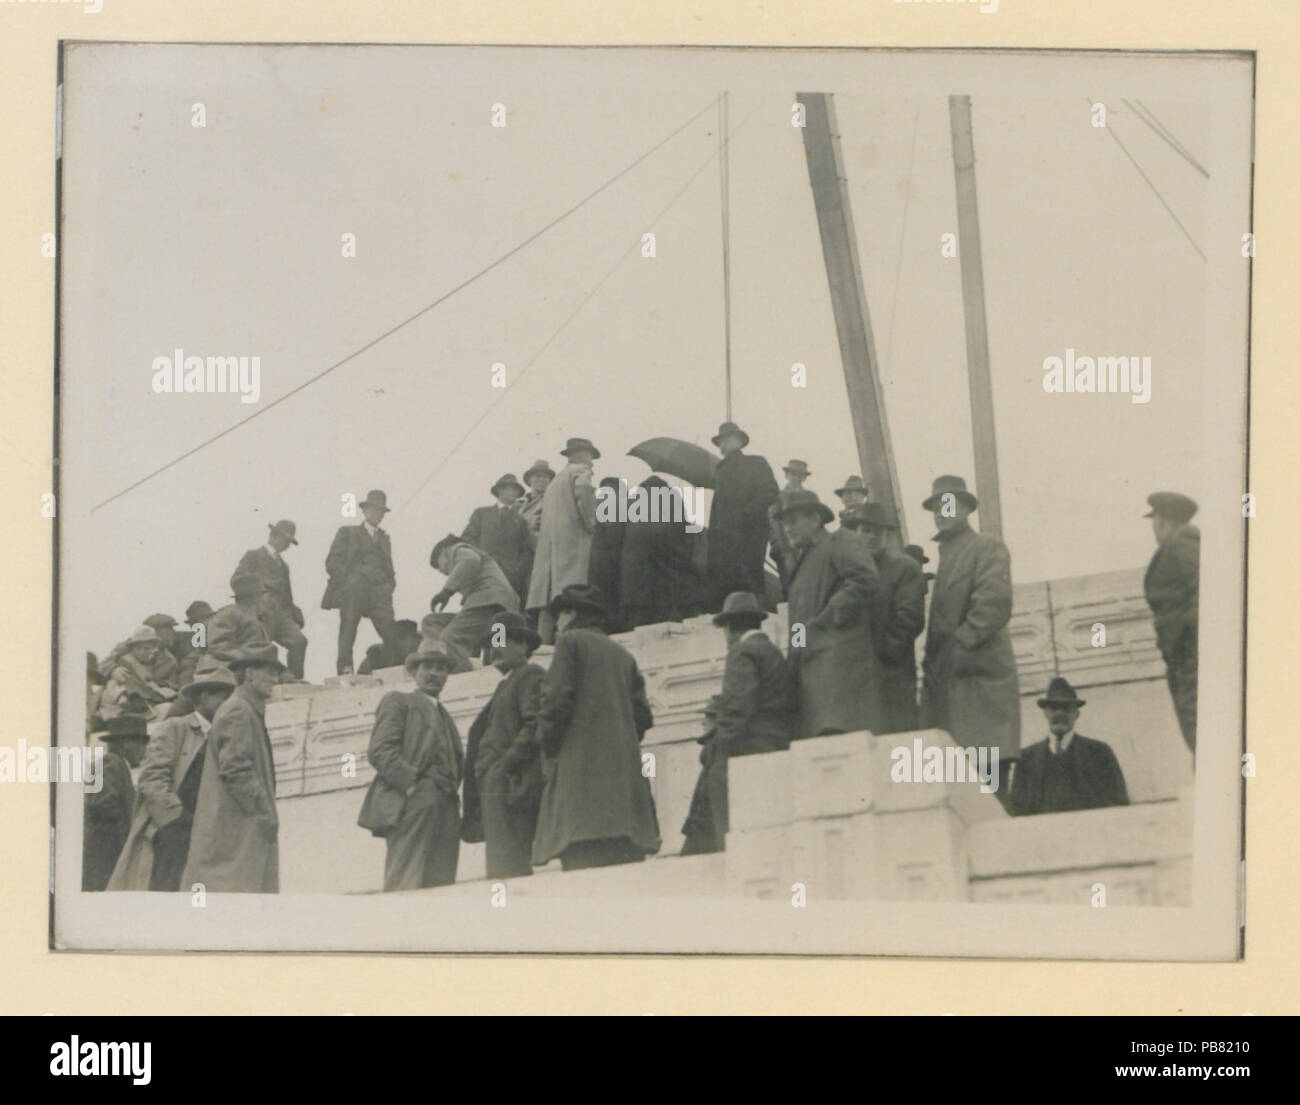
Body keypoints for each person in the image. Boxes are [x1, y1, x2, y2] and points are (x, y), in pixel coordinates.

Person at [531, 584, 661, 871]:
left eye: (560, 615)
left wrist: (547, 744)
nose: (556, 624)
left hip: (581, 795)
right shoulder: (623, 655)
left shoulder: (570, 643)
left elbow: (554, 703)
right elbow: (643, 716)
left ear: (572, 613)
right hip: (625, 802)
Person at [920, 475, 1021, 791]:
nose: (942, 511)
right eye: (937, 505)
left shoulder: (986, 547)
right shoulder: (948, 557)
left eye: (948, 503)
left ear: (966, 508)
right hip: (949, 705)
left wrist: (959, 648)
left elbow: (993, 605)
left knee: (989, 796)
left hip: (981, 700)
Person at [108, 658, 237, 891]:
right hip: (175, 833)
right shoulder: (175, 728)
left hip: (211, 835)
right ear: (204, 696)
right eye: (222, 696)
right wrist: (174, 821)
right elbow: (153, 778)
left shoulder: (228, 737)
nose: (227, 703)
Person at [680, 593, 795, 854]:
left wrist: (720, 744)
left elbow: (736, 705)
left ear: (729, 628)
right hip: (775, 743)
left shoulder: (742, 651)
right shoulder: (772, 651)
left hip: (750, 746)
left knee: (720, 797)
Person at [357, 639, 464, 891]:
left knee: (441, 888)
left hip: (446, 809)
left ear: (447, 675)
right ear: (414, 671)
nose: (434, 674)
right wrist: (413, 785)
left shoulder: (444, 715)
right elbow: (380, 750)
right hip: (411, 806)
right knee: (404, 884)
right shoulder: (398, 701)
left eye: (441, 669)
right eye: (428, 667)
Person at [778, 490, 883, 738]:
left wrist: (826, 620)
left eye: (793, 521)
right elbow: (799, 624)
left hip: (839, 677)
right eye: (784, 523)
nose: (787, 529)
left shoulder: (839, 542)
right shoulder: (801, 563)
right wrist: (795, 658)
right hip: (813, 679)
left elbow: (865, 579)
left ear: (815, 519)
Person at [182, 644, 285, 894]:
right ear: (249, 673)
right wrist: (264, 812)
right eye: (268, 672)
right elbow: (236, 770)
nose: (275, 679)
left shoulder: (244, 709)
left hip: (238, 834)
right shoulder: (239, 709)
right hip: (236, 838)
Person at [461, 612, 546, 878]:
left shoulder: (530, 675)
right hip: (497, 787)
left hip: (510, 786)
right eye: (490, 643)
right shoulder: (508, 683)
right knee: (501, 864)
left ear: (522, 645)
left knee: (508, 865)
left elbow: (535, 725)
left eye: (500, 640)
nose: (493, 649)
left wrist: (502, 767)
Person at [843, 503, 926, 733]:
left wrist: (881, 656)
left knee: (899, 742)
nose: (870, 536)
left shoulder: (904, 568)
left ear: (886, 535)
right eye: (864, 529)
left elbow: (910, 620)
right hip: (855, 682)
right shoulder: (845, 571)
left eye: (876, 531)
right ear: (855, 532)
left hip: (892, 678)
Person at [1007, 677, 1129, 815]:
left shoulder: (1100, 753)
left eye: (1066, 708)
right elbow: (1016, 810)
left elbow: (1119, 804)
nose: (1060, 713)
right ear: (1045, 713)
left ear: (1076, 714)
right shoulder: (1026, 758)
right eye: (1054, 708)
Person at [526, 438, 599, 643]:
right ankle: (566, 643)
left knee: (547, 601)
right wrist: (590, 522)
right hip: (572, 545)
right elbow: (584, 491)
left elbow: (536, 521)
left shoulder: (554, 483)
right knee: (571, 595)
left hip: (548, 552)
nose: (592, 463)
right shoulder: (580, 471)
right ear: (581, 456)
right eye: (590, 457)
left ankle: (543, 646)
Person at [1142, 491, 1199, 754]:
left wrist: (1189, 646)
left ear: (1162, 520)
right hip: (1184, 663)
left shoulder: (1181, 543)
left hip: (1191, 663)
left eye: (1154, 521)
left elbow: (1203, 594)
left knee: (1202, 736)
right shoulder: (1181, 544)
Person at [323, 489, 400, 675]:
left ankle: (392, 668)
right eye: (374, 510)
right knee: (348, 628)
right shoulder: (348, 533)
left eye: (381, 511)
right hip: (354, 590)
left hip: (379, 593)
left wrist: (389, 586)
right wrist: (350, 582)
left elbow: (389, 568)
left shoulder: (384, 539)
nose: (377, 515)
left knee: (391, 632)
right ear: (365, 511)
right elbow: (332, 562)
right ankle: (345, 668)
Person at [705, 421, 779, 609]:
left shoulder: (755, 463)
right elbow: (717, 506)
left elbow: (770, 492)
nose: (723, 444)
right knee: (729, 583)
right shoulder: (720, 471)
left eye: (728, 439)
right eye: (720, 441)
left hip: (750, 533)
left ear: (739, 441)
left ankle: (759, 618)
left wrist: (747, 513)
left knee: (751, 579)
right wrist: (713, 532)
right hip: (725, 538)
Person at [618, 475, 701, 629]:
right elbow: (678, 541)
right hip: (662, 591)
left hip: (632, 589)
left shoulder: (632, 502)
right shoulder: (671, 498)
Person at [429, 533, 521, 662]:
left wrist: (446, 592)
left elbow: (470, 560)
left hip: (488, 602)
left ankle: (457, 671)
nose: (443, 572)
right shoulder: (482, 563)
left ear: (444, 551)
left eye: (439, 567)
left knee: (450, 636)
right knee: (497, 650)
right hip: (502, 607)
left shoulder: (457, 549)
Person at [82, 714, 148, 891]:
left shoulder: (116, 765)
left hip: (103, 850)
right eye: (142, 744)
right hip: (105, 852)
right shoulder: (111, 763)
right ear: (127, 744)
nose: (144, 750)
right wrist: (123, 840)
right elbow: (103, 805)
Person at [235, 519, 307, 678]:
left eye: (289, 542)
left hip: (281, 615)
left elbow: (288, 595)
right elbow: (236, 580)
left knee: (299, 641)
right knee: (261, 652)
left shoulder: (283, 565)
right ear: (273, 536)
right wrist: (262, 585)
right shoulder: (253, 556)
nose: (287, 545)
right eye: (285, 540)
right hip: (259, 614)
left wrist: (294, 613)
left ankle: (293, 679)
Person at [462, 474, 535, 605]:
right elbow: (468, 539)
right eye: (510, 489)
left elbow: (527, 551)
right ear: (500, 491)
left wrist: (516, 569)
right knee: (479, 611)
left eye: (516, 490)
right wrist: (480, 560)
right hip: (482, 575)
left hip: (509, 579)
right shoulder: (481, 514)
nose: (514, 493)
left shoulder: (521, 521)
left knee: (502, 617)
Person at [100, 626, 179, 717]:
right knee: (113, 683)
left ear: (155, 648)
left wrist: (159, 685)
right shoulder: (126, 660)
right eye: (138, 648)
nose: (142, 652)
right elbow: (102, 666)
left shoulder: (168, 661)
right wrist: (113, 669)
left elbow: (173, 684)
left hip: (156, 698)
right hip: (127, 698)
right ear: (133, 648)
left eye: (147, 648)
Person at [587, 476, 629, 631]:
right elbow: (615, 538)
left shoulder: (596, 506)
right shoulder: (617, 506)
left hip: (594, 565)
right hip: (611, 566)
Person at [770, 459, 811, 588]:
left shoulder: (809, 497)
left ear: (804, 478)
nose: (796, 478)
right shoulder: (778, 497)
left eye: (799, 475)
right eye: (793, 474)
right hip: (786, 547)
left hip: (807, 547)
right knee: (790, 583)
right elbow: (773, 521)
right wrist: (777, 542)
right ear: (787, 475)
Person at [516, 458, 556, 542]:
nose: (541, 479)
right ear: (529, 480)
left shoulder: (553, 501)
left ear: (550, 481)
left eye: (545, 477)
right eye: (538, 476)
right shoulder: (519, 504)